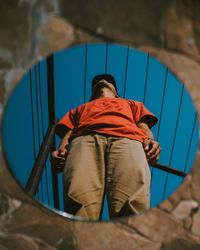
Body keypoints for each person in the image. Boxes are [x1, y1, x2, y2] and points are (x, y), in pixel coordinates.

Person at [51, 74, 161, 220]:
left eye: (109, 81)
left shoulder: (133, 104)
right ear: (91, 95)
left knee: (134, 203)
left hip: (128, 141)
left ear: (117, 92)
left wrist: (150, 141)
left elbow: (144, 127)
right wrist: (62, 149)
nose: (102, 81)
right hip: (83, 142)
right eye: (96, 82)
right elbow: (68, 132)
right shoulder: (78, 109)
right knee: (77, 201)